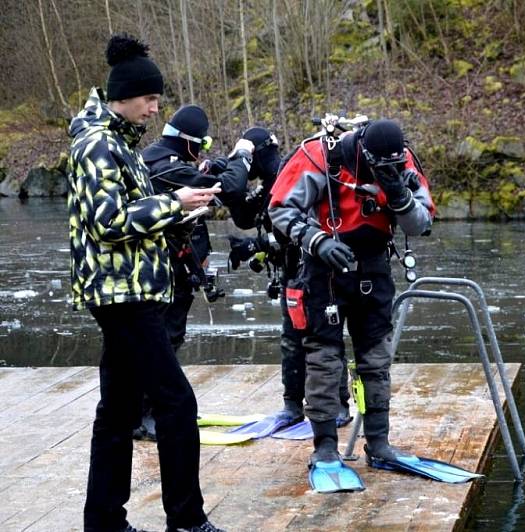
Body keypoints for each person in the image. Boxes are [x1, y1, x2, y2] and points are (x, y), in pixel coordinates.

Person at [66, 33, 225, 532]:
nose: (157, 109)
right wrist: (175, 204)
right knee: (177, 402)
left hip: (132, 289)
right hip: (121, 294)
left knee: (117, 412)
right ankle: (187, 521)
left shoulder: (120, 143)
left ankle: (104, 522)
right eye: (150, 99)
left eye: (158, 99)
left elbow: (136, 216)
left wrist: (188, 207)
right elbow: (108, 223)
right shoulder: (97, 145)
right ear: (125, 95)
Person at [268, 118, 436, 490]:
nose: (386, 170)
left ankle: (379, 443)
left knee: (376, 360)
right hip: (324, 268)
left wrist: (399, 193)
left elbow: (420, 224)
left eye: (393, 165)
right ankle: (325, 446)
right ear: (362, 153)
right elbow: (279, 208)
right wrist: (316, 240)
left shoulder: (403, 161)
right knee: (324, 359)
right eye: (379, 166)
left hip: (374, 268)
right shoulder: (318, 155)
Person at [128, 107, 254, 442]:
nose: (202, 150)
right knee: (163, 340)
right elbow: (231, 188)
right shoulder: (167, 167)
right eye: (203, 143)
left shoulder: (157, 159)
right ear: (187, 141)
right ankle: (147, 415)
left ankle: (156, 408)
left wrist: (209, 167)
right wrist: (242, 154)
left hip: (166, 264)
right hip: (165, 266)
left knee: (163, 338)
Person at [226, 127, 352, 438]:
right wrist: (233, 173)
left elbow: (300, 226)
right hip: (291, 273)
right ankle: (292, 405)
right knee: (291, 341)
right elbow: (245, 217)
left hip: (317, 272)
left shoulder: (292, 172)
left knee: (324, 338)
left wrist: (257, 246)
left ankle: (339, 405)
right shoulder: (271, 180)